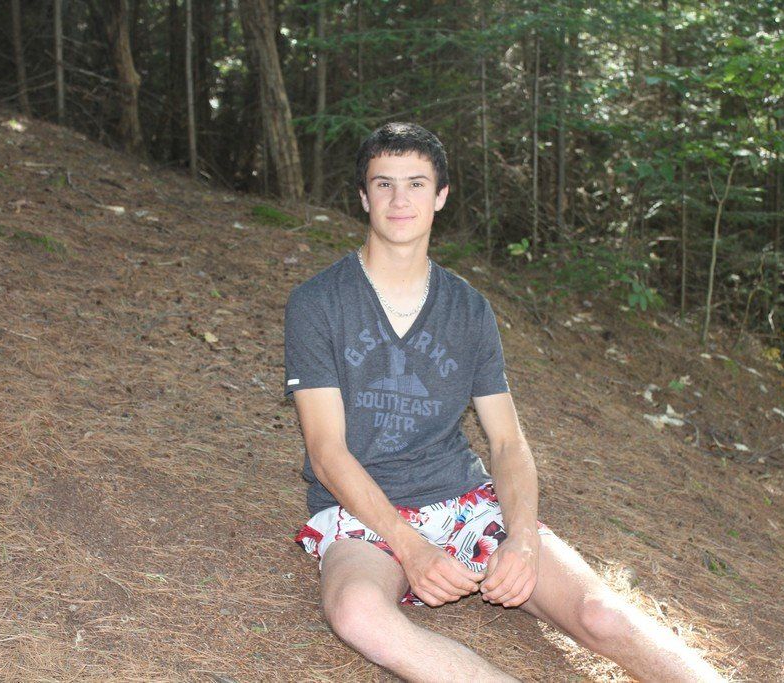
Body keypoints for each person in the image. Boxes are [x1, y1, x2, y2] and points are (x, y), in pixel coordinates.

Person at [283, 122, 724, 682]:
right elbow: (327, 452)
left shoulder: (469, 310)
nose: (400, 199)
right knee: (357, 613)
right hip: (363, 513)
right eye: (384, 184)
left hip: (464, 502)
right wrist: (411, 547)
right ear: (364, 197)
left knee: (601, 614)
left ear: (441, 196)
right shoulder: (318, 302)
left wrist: (522, 540)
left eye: (417, 184)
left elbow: (508, 442)